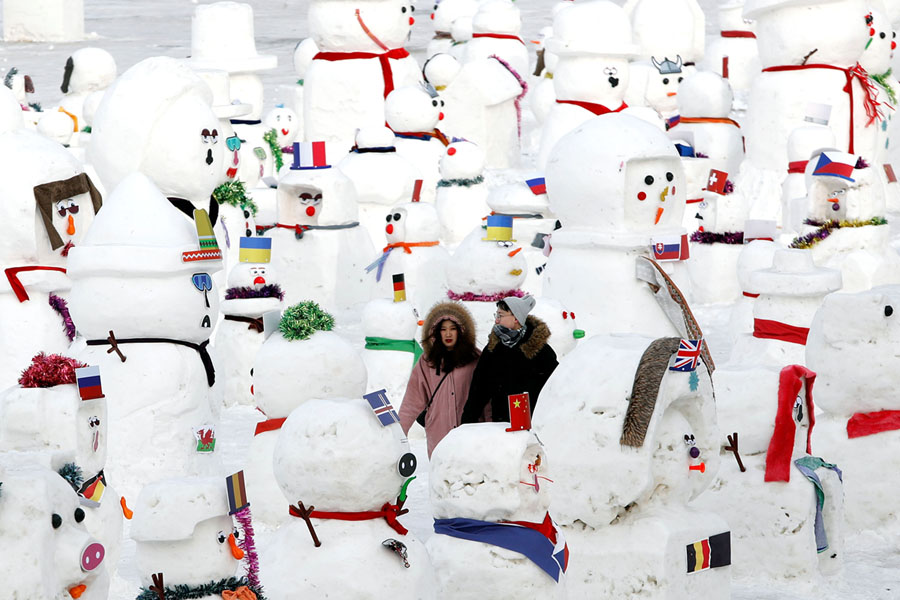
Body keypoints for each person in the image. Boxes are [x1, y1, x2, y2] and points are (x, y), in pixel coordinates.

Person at [399, 301, 481, 457]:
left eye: (452, 329)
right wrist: (398, 434)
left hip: (470, 436)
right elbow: (412, 401)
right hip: (438, 434)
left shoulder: (475, 358)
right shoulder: (427, 361)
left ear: (461, 331)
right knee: (441, 476)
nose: (448, 334)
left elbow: (486, 399)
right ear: (436, 332)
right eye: (443, 330)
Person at [460, 295, 557, 424]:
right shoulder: (493, 349)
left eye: (501, 315)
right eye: (496, 315)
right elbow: (479, 388)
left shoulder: (541, 351)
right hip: (500, 424)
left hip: (534, 425)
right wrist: (467, 421)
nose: (496, 320)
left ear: (516, 318)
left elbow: (555, 387)